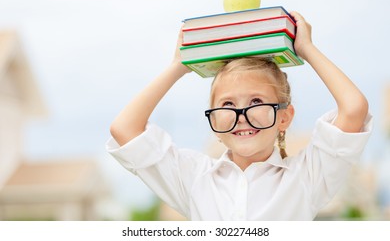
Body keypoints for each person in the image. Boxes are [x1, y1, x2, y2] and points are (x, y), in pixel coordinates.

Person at [106, 12, 373, 220]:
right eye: (228, 104)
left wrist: (307, 49)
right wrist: (179, 66)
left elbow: (353, 109)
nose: (241, 115)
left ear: (284, 117)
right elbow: (124, 129)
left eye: (256, 101)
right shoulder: (194, 177)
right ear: (215, 120)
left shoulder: (307, 176)